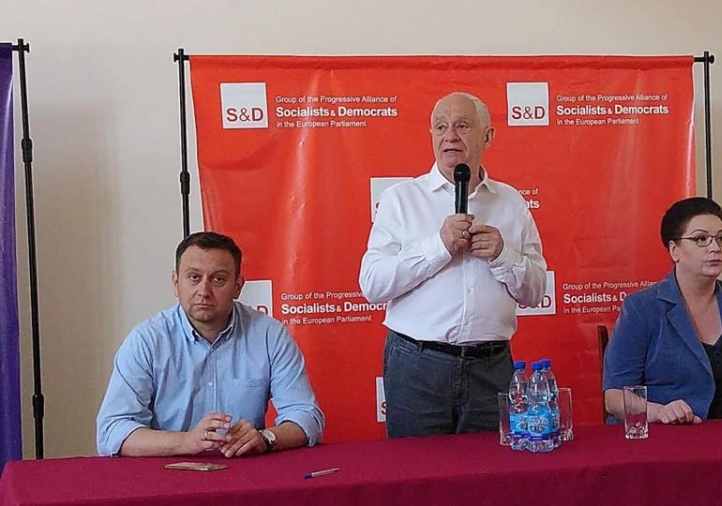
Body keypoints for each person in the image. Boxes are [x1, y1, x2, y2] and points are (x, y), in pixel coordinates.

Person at [359, 92, 547, 438]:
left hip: (491, 367)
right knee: (417, 468)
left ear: (487, 136)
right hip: (418, 366)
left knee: (491, 468)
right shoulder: (401, 199)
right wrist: (438, 247)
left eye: (462, 126)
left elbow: (535, 292)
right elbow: (372, 284)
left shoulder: (511, 202)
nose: (450, 136)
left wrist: (503, 255)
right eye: (440, 127)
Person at [97, 232, 324, 457]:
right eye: (194, 277)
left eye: (218, 279)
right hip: (166, 470)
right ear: (176, 283)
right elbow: (112, 431)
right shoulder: (147, 341)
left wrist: (266, 438)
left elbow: (307, 417)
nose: (204, 292)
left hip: (245, 467)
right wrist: (185, 442)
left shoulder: (269, 335)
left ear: (238, 286)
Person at [603, 197, 722, 424]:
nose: (715, 247)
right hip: (672, 436)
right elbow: (614, 397)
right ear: (674, 250)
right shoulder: (642, 308)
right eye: (701, 239)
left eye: (721, 238)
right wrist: (659, 412)